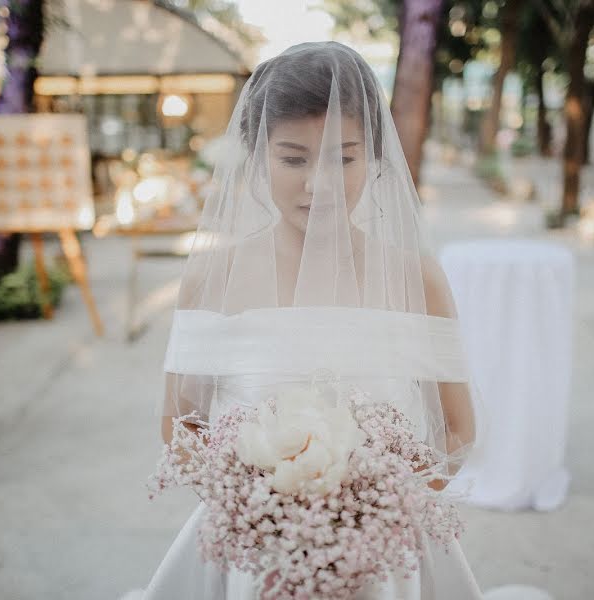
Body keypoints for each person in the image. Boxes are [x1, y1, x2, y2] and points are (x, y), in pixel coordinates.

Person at [125, 41, 483, 599]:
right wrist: (263, 520)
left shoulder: (419, 280)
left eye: (343, 158)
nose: (319, 185)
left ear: (376, 155)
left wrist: (367, 520)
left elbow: (457, 430)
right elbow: (180, 424)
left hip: (384, 557)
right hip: (252, 554)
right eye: (293, 159)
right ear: (256, 156)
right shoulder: (212, 280)